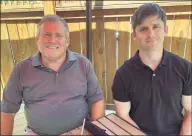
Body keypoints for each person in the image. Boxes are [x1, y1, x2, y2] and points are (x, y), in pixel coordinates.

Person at [1, 15, 105, 135]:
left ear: (67, 41)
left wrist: (93, 132)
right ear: (37, 39)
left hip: (78, 132)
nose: (52, 40)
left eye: (59, 35)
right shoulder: (21, 70)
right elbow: (7, 112)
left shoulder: (83, 64)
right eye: (47, 34)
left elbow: (97, 100)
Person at [112, 3, 191, 136]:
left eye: (156, 27)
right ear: (134, 35)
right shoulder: (123, 74)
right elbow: (123, 116)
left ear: (165, 29)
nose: (151, 33)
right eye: (143, 29)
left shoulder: (185, 68)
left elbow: (190, 110)